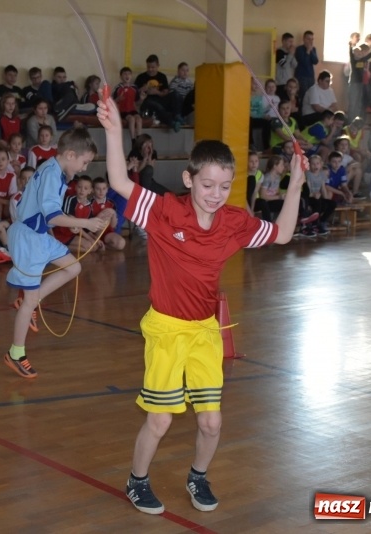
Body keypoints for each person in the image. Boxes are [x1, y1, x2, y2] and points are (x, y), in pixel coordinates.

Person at [96, 95, 305, 516]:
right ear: (190, 180)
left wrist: (297, 183)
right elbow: (120, 182)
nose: (215, 194)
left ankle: (198, 475)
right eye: (207, 185)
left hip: (206, 332)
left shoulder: (233, 222)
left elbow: (282, 234)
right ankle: (137, 481)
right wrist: (115, 131)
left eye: (224, 186)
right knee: (161, 420)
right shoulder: (165, 212)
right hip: (167, 330)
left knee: (212, 422)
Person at [3, 127, 108, 379]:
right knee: (27, 304)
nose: (84, 168)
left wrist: (68, 221)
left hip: (39, 236)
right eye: (84, 162)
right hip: (29, 239)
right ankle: (16, 353)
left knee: (74, 267)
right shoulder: (52, 174)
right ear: (71, 155)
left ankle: (32, 300)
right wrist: (86, 223)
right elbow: (51, 214)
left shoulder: (53, 169)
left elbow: (45, 213)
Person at [52, 175, 103, 254]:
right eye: (79, 187)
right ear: (75, 187)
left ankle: (61, 247)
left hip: (75, 234)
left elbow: (86, 229)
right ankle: (58, 247)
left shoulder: (89, 206)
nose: (82, 190)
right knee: (90, 246)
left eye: (85, 188)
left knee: (94, 247)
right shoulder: (70, 200)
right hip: (62, 234)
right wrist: (90, 239)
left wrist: (96, 239)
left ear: (90, 191)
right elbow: (73, 222)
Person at [135, 54, 184, 132]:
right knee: (156, 105)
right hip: (147, 102)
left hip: (160, 99)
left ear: (158, 66)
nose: (150, 69)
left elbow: (166, 92)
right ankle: (171, 122)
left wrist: (157, 92)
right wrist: (142, 89)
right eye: (148, 67)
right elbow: (135, 93)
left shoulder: (162, 76)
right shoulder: (141, 77)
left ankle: (177, 116)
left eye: (153, 67)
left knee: (175, 94)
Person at [91, 177, 126, 251]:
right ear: (93, 190)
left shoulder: (110, 203)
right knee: (104, 217)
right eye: (98, 189)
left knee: (121, 243)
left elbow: (113, 225)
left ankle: (102, 245)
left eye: (104, 189)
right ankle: (96, 243)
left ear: (107, 190)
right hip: (93, 234)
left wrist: (113, 214)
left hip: (107, 233)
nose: (101, 191)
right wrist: (101, 215)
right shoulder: (89, 203)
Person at [305, 154, 335, 235]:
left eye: (317, 163)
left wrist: (326, 199)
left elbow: (323, 188)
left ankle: (322, 221)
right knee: (318, 202)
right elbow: (307, 190)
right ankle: (315, 225)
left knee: (332, 204)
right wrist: (313, 195)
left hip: (317, 196)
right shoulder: (308, 174)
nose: (316, 166)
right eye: (313, 164)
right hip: (309, 197)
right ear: (309, 165)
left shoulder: (322, 174)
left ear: (321, 164)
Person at [114, 67, 142, 140]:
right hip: (123, 110)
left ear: (131, 76)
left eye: (129, 74)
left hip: (132, 109)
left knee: (139, 119)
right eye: (125, 74)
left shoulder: (134, 88)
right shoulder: (118, 88)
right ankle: (133, 139)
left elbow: (137, 102)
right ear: (121, 76)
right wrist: (118, 99)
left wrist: (142, 99)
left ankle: (139, 138)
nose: (127, 76)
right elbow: (112, 102)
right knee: (131, 119)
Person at [294, 30, 319, 102]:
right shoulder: (299, 49)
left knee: (311, 97)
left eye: (312, 39)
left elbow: (315, 61)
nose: (310, 41)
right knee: (303, 97)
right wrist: (307, 51)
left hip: (310, 77)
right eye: (308, 39)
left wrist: (311, 51)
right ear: (304, 39)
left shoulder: (313, 49)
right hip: (301, 77)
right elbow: (303, 62)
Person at [275, 32, 297, 98]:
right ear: (284, 41)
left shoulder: (290, 53)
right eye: (290, 41)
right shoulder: (279, 52)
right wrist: (290, 55)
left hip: (289, 82)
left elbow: (295, 65)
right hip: (281, 83)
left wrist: (292, 54)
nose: (291, 44)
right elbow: (284, 65)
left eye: (292, 42)